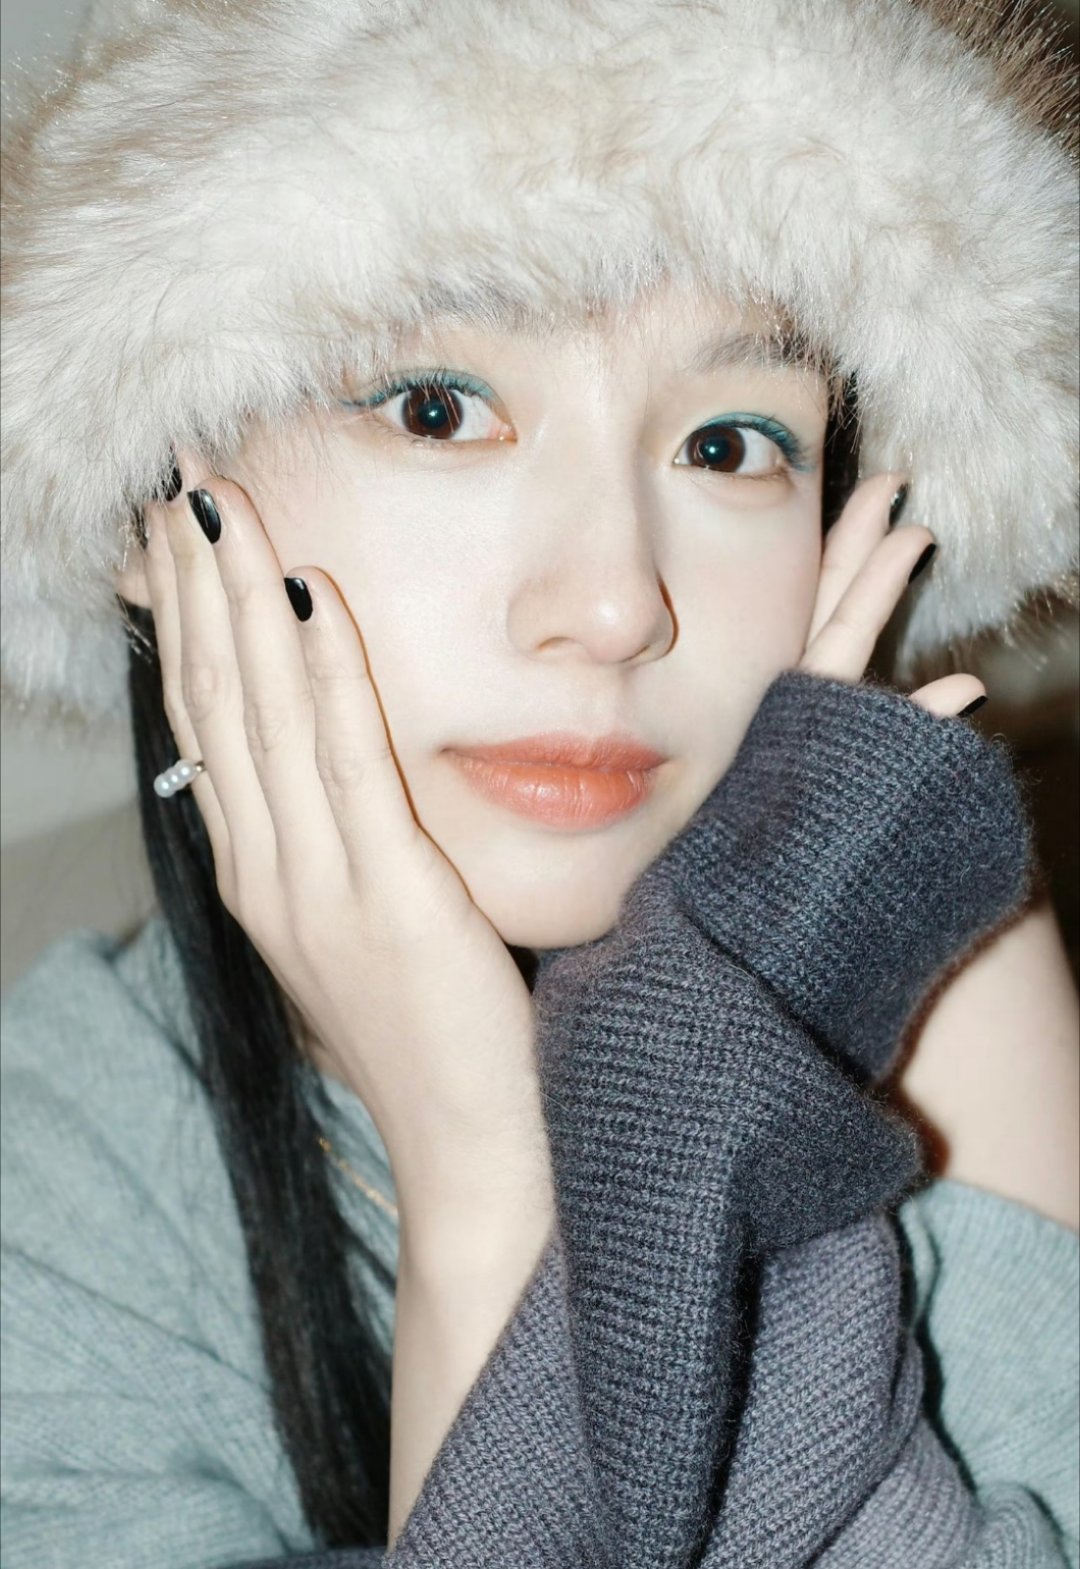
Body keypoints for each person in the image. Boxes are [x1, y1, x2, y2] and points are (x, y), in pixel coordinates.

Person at [1, 0, 1077, 1564]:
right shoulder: (46, 1190)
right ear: (149, 507)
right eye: (437, 407)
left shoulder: (942, 977)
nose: (616, 601)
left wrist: (672, 1049)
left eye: (730, 444)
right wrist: (483, 1163)